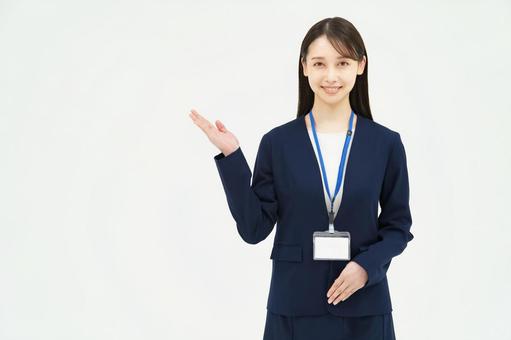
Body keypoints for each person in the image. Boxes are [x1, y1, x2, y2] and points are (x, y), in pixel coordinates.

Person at [189, 16, 413, 340]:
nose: (331, 75)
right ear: (304, 67)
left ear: (360, 66)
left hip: (365, 309)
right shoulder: (278, 143)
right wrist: (232, 156)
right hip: (293, 311)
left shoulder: (386, 144)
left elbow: (397, 226)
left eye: (343, 62)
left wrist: (366, 267)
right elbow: (254, 229)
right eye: (320, 63)